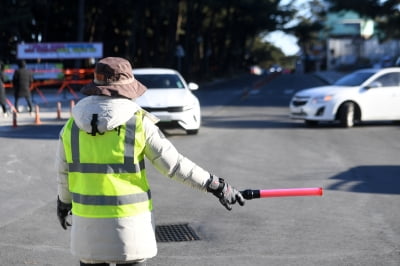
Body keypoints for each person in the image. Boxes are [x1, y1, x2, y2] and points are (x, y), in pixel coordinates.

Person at [56, 57, 245, 266]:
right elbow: (175, 165)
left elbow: (63, 174)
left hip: (87, 229)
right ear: (127, 89)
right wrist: (215, 185)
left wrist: (64, 204)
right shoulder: (138, 123)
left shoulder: (71, 127)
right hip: (130, 229)